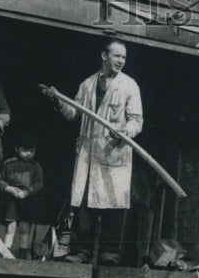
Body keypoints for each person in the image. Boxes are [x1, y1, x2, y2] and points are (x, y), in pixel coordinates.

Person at [42, 38, 143, 265]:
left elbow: (137, 121)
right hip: (88, 154)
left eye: (124, 57)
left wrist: (125, 131)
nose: (121, 61)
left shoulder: (129, 85)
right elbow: (73, 114)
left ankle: (109, 255)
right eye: (117, 56)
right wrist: (58, 101)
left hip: (113, 154)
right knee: (84, 204)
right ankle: (82, 253)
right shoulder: (87, 84)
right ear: (104, 56)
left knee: (114, 206)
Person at [0, 130, 45, 259]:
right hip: (11, 200)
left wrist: (27, 192)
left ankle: (24, 253)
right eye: (25, 150)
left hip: (27, 200)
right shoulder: (8, 164)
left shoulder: (36, 166)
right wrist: (8, 188)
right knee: (10, 226)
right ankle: (6, 251)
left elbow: (39, 183)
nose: (29, 154)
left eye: (32, 151)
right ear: (17, 149)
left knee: (24, 227)